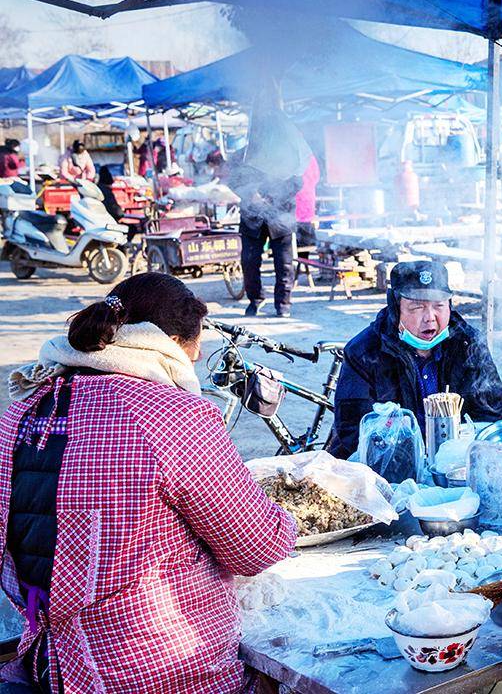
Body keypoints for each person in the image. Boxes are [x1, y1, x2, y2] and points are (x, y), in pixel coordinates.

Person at [1, 273, 296, 693]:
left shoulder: (23, 408)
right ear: (173, 344)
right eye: (195, 350)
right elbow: (256, 547)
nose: (194, 362)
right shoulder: (171, 416)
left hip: (52, 663)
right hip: (158, 669)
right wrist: (289, 519)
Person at [326, 261, 502, 459]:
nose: (430, 317)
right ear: (396, 310)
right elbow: (352, 430)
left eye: (439, 306)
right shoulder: (364, 352)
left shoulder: (468, 344)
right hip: (387, 468)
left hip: (456, 464)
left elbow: (492, 413)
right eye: (416, 308)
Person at [229, 163, 301, 318]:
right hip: (251, 217)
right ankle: (255, 299)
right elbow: (233, 181)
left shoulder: (287, 156)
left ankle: (283, 303)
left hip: (281, 217)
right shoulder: (246, 154)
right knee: (249, 262)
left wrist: (271, 198)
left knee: (284, 264)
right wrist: (250, 194)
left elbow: (297, 182)